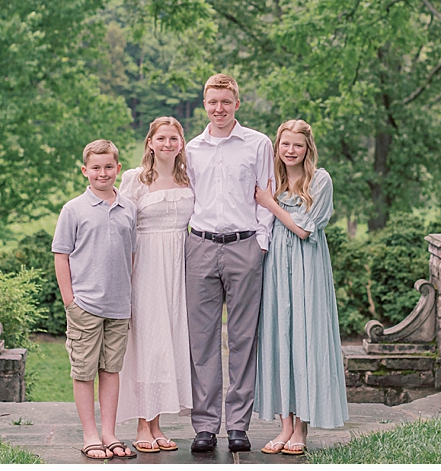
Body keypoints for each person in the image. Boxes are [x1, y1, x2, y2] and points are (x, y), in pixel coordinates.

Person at [184, 73, 274, 454]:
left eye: (225, 101)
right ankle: (205, 426)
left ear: (237, 103)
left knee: (242, 339)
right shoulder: (191, 149)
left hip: (244, 246)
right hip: (200, 246)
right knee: (201, 341)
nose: (218, 108)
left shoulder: (258, 144)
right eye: (212, 102)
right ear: (204, 105)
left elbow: (266, 193)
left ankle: (238, 424)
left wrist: (261, 244)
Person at [252, 119, 349, 455]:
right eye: (285, 144)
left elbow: (304, 230)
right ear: (277, 146)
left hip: (308, 266)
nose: (290, 151)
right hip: (275, 265)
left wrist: (270, 203)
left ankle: (301, 430)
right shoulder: (272, 179)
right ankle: (284, 427)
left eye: (297, 145)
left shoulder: (319, 180)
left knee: (305, 339)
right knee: (279, 336)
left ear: (308, 149)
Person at [52, 139, 138, 461]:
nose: (103, 173)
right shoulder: (73, 209)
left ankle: (109, 433)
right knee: (84, 371)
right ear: (85, 170)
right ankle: (90, 434)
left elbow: (130, 254)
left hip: (119, 306)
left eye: (109, 167)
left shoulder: (129, 208)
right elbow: (61, 256)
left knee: (111, 370)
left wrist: (126, 295)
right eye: (96, 168)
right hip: (85, 305)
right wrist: (70, 301)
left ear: (117, 168)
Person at [116, 117, 194, 452]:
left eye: (173, 138)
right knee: (146, 343)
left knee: (169, 343)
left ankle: (158, 423)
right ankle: (142, 425)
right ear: (150, 142)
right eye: (160, 138)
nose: (167, 144)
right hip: (144, 265)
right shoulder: (135, 179)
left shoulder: (188, 178)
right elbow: (121, 228)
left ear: (181, 142)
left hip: (178, 266)